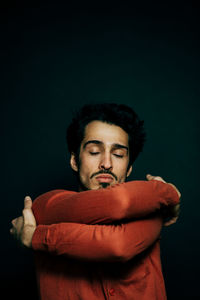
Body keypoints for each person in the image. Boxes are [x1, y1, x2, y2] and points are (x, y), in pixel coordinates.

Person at [10, 103, 181, 300]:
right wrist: (168, 193)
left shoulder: (150, 211)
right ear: (75, 161)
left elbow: (118, 245)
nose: (106, 163)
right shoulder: (45, 206)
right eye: (93, 151)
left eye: (118, 154)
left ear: (129, 168)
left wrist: (35, 236)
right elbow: (118, 203)